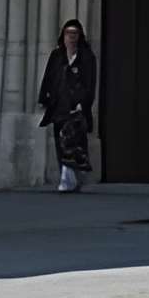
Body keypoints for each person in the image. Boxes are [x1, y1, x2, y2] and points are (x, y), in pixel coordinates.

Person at [38, 19, 97, 193]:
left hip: (76, 106)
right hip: (59, 105)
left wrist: (83, 103)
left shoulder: (87, 56)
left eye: (74, 33)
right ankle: (67, 176)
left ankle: (69, 178)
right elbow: (49, 77)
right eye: (68, 33)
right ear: (63, 36)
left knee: (73, 142)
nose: (71, 37)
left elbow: (90, 82)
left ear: (80, 36)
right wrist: (44, 97)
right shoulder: (57, 55)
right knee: (61, 141)